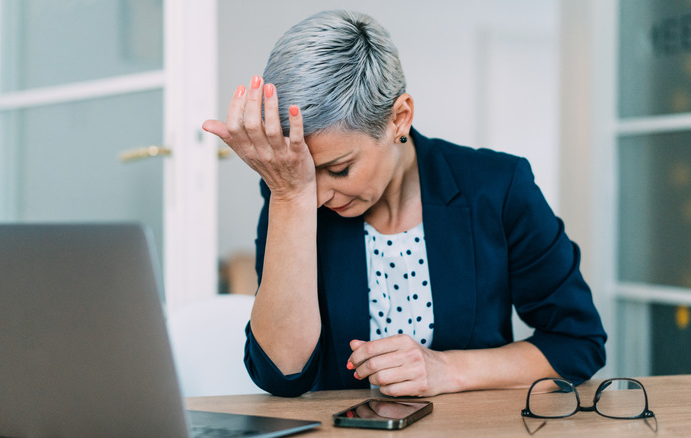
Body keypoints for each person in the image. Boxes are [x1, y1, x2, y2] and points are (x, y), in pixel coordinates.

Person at [202, 10, 606, 398]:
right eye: (307, 175)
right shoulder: (293, 193)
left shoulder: (497, 186)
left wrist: (447, 370)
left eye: (339, 169)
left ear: (400, 117)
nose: (319, 196)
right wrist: (290, 197)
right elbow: (282, 375)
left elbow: (577, 341)